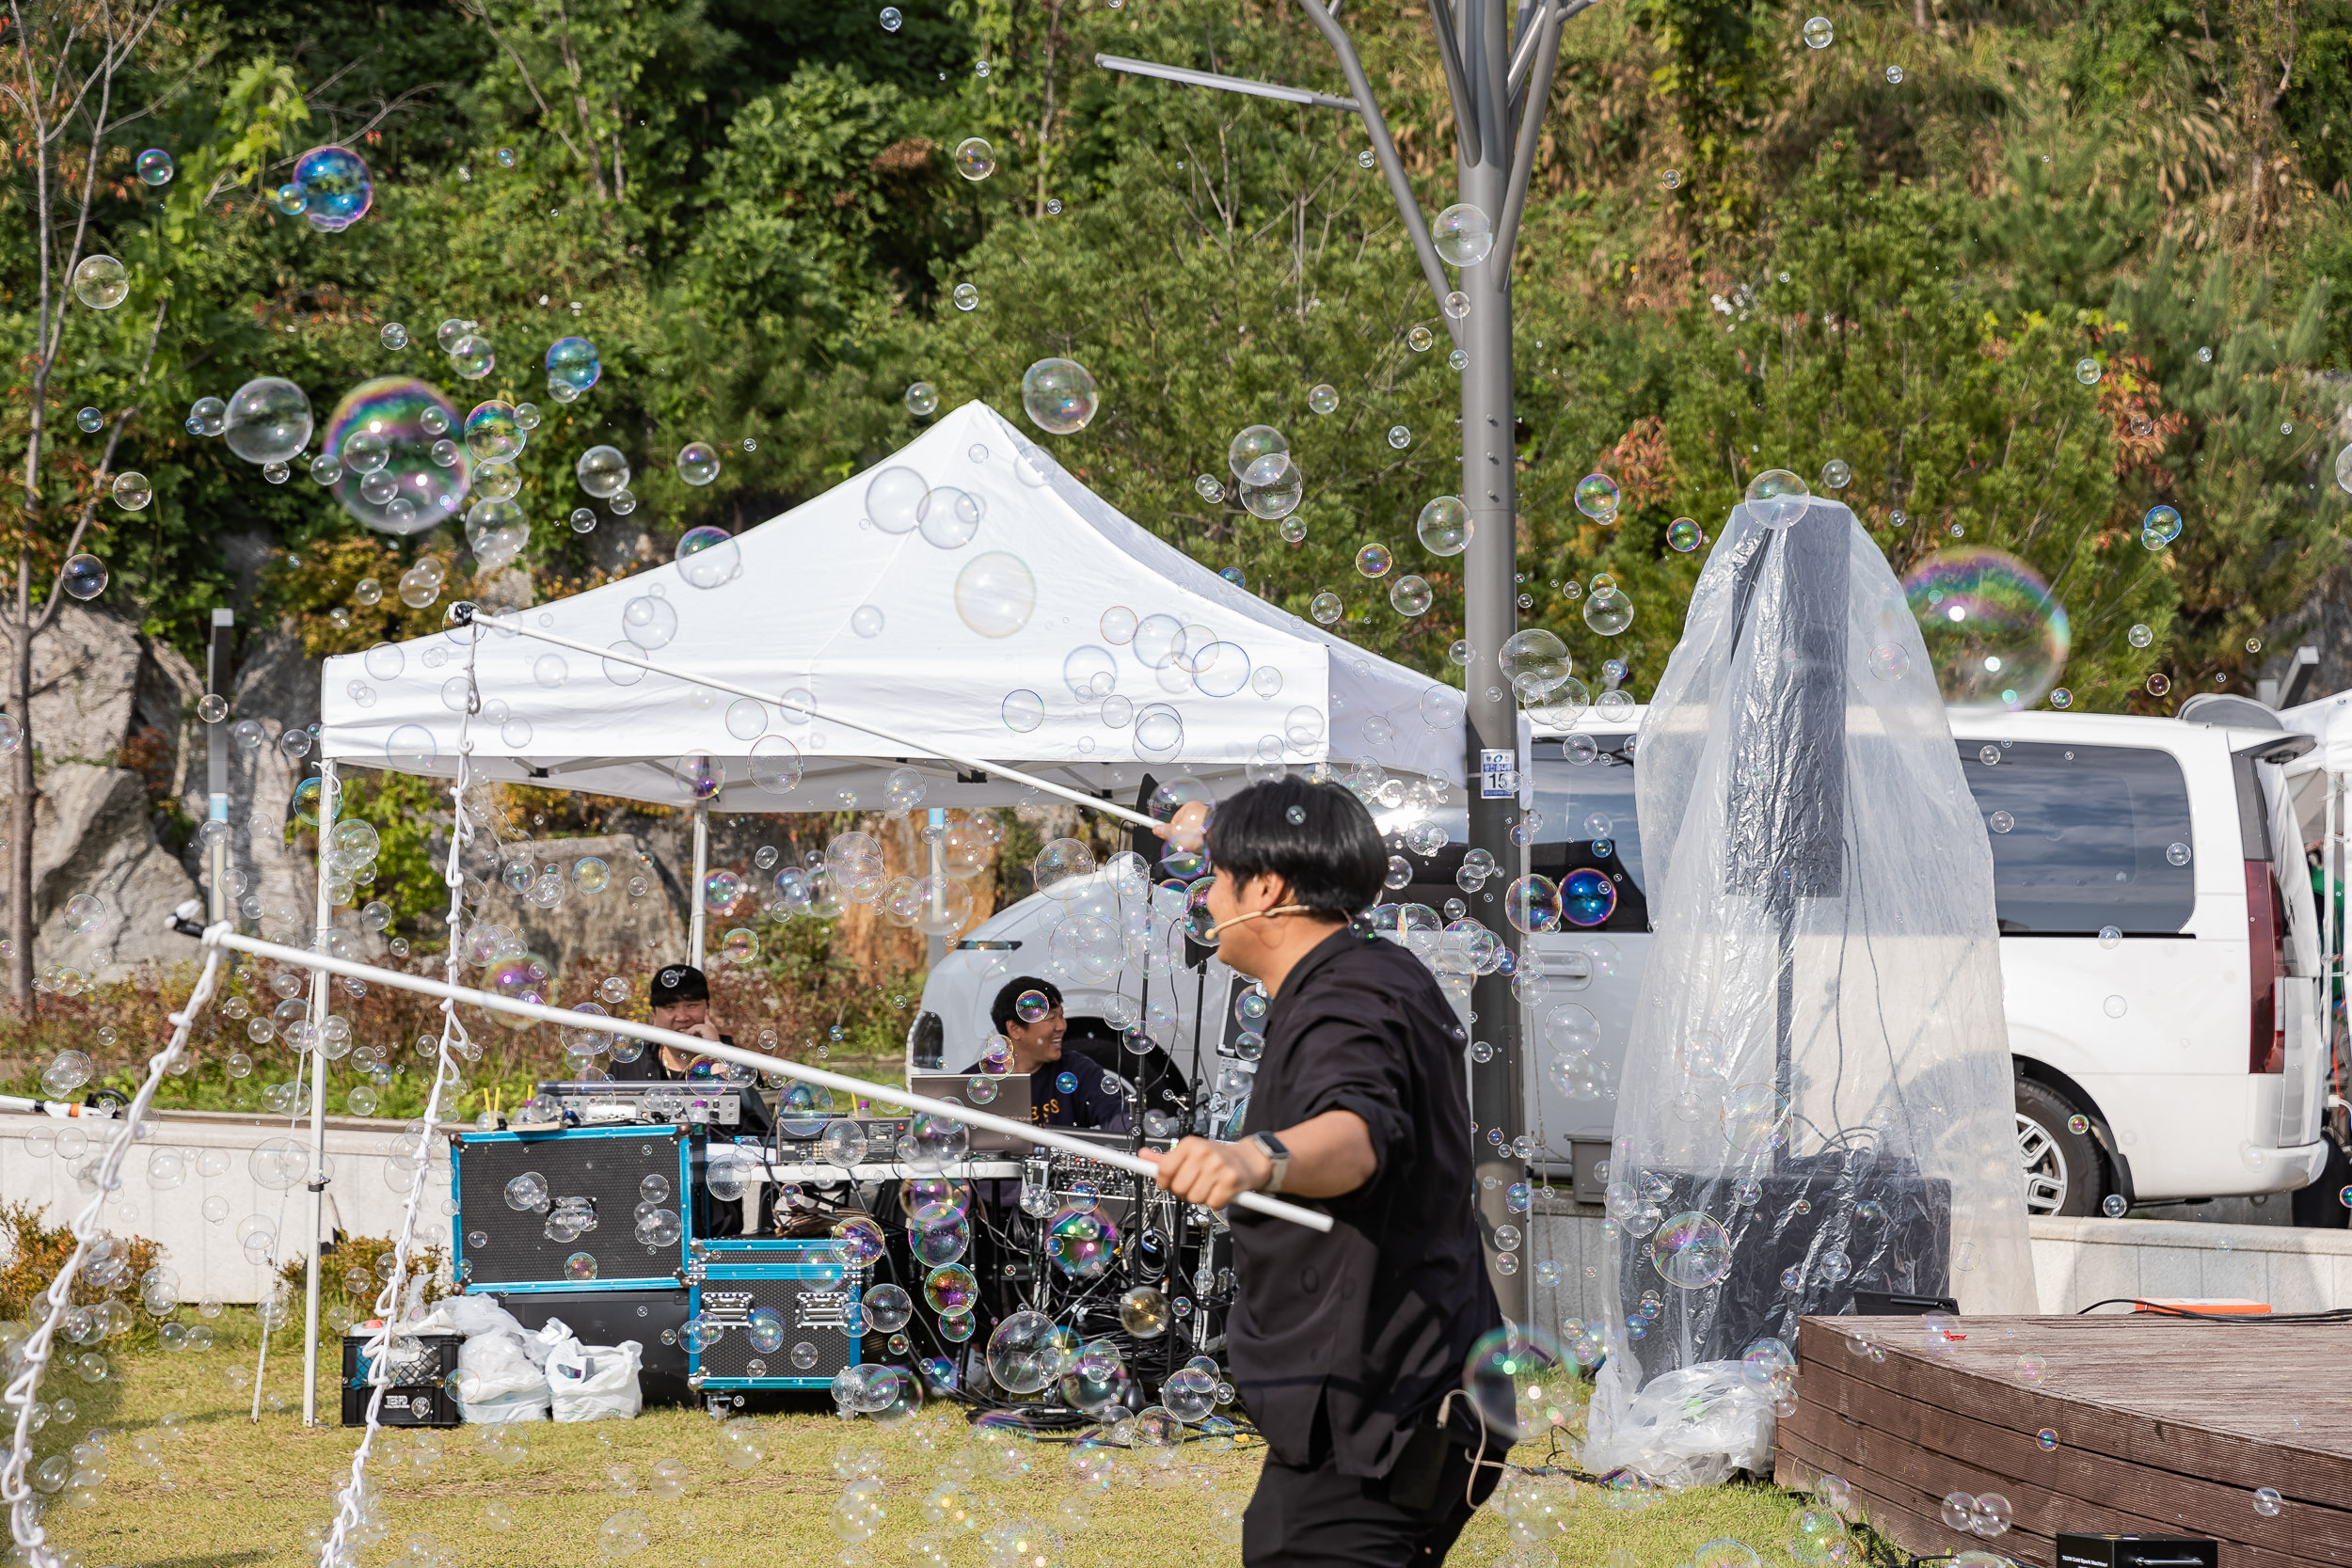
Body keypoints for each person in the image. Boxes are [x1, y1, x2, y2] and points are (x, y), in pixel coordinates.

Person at [1140, 777, 1501, 1568]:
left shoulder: (1345, 995)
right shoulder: (1372, 971)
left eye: (1219, 877)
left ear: (1265, 888)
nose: (1203, 900)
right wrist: (1212, 826)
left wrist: (1251, 1156)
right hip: (1401, 1394)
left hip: (1377, 1412)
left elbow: (1357, 1132)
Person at [608, 963, 771, 1232]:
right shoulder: (630, 1063)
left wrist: (717, 1053)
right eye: (670, 1008)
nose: (681, 1016)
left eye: (691, 1005)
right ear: (654, 1014)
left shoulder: (733, 1059)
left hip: (715, 1214)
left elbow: (760, 1132)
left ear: (707, 1009)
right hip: (640, 1202)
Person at [990, 976, 1129, 1133]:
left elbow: (1114, 1113)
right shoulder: (981, 1082)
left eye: (1061, 1016)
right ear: (1015, 1029)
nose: (1061, 1026)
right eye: (1051, 1019)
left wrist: (1130, 1131)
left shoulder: (1079, 1070)